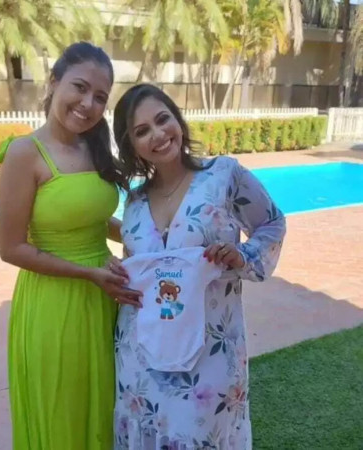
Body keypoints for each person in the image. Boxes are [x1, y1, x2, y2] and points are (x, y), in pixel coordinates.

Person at [109, 84, 286, 449]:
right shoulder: (135, 202)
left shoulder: (223, 175)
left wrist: (242, 255)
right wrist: (119, 277)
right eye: (142, 131)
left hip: (210, 355)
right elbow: (140, 266)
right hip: (140, 356)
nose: (158, 134)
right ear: (131, 146)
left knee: (203, 435)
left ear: (178, 119)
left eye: (163, 119)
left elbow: (271, 223)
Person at [0, 42, 141, 450]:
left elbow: (94, 221)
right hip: (54, 305)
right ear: (54, 82)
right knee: (63, 412)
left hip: (103, 299)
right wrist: (88, 273)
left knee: (103, 407)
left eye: (100, 97)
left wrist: (148, 239)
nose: (88, 104)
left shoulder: (94, 147)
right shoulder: (25, 153)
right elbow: (11, 248)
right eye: (79, 87)